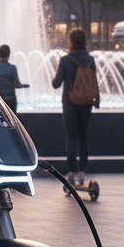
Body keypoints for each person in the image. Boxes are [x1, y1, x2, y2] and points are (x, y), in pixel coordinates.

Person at [51, 28, 97, 186]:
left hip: (70, 103)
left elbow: (56, 83)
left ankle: (71, 172)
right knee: (83, 137)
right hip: (86, 103)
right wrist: (96, 99)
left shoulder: (65, 60)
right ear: (84, 41)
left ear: (70, 41)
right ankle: (82, 172)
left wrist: (55, 79)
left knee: (71, 138)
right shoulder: (91, 60)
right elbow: (94, 81)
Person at [0, 44, 28, 114]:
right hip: (11, 100)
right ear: (9, 54)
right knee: (13, 121)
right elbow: (17, 85)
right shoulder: (13, 68)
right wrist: (24, 85)